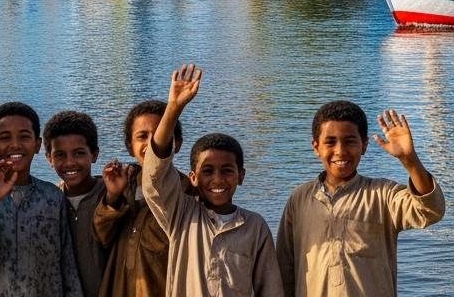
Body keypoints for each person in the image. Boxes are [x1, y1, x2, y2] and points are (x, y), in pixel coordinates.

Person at [277, 101, 445, 297]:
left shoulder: (382, 195)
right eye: (330, 142)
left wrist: (409, 160)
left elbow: (430, 210)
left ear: (364, 145)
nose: (340, 151)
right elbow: (284, 267)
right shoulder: (300, 199)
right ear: (316, 147)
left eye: (350, 141)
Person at [141, 65, 281, 297]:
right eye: (207, 171)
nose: (217, 179)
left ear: (241, 175)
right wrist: (174, 109)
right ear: (193, 178)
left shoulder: (255, 226)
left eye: (227, 170)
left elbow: (270, 287)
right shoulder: (181, 215)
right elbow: (155, 174)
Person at [0, 102, 82, 296]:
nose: (15, 144)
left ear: (37, 145)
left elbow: (68, 266)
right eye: (5, 137)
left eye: (24, 137)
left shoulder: (53, 197)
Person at [94, 101, 189, 297]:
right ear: (130, 147)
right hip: (122, 287)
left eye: (159, 135)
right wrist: (113, 196)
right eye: (142, 136)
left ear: (176, 143)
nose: (151, 143)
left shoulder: (185, 190)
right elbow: (102, 236)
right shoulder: (125, 184)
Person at [45, 111, 109, 297]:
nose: (70, 163)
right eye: (60, 155)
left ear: (94, 154)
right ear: (49, 158)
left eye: (79, 153)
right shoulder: (49, 201)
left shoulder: (112, 194)